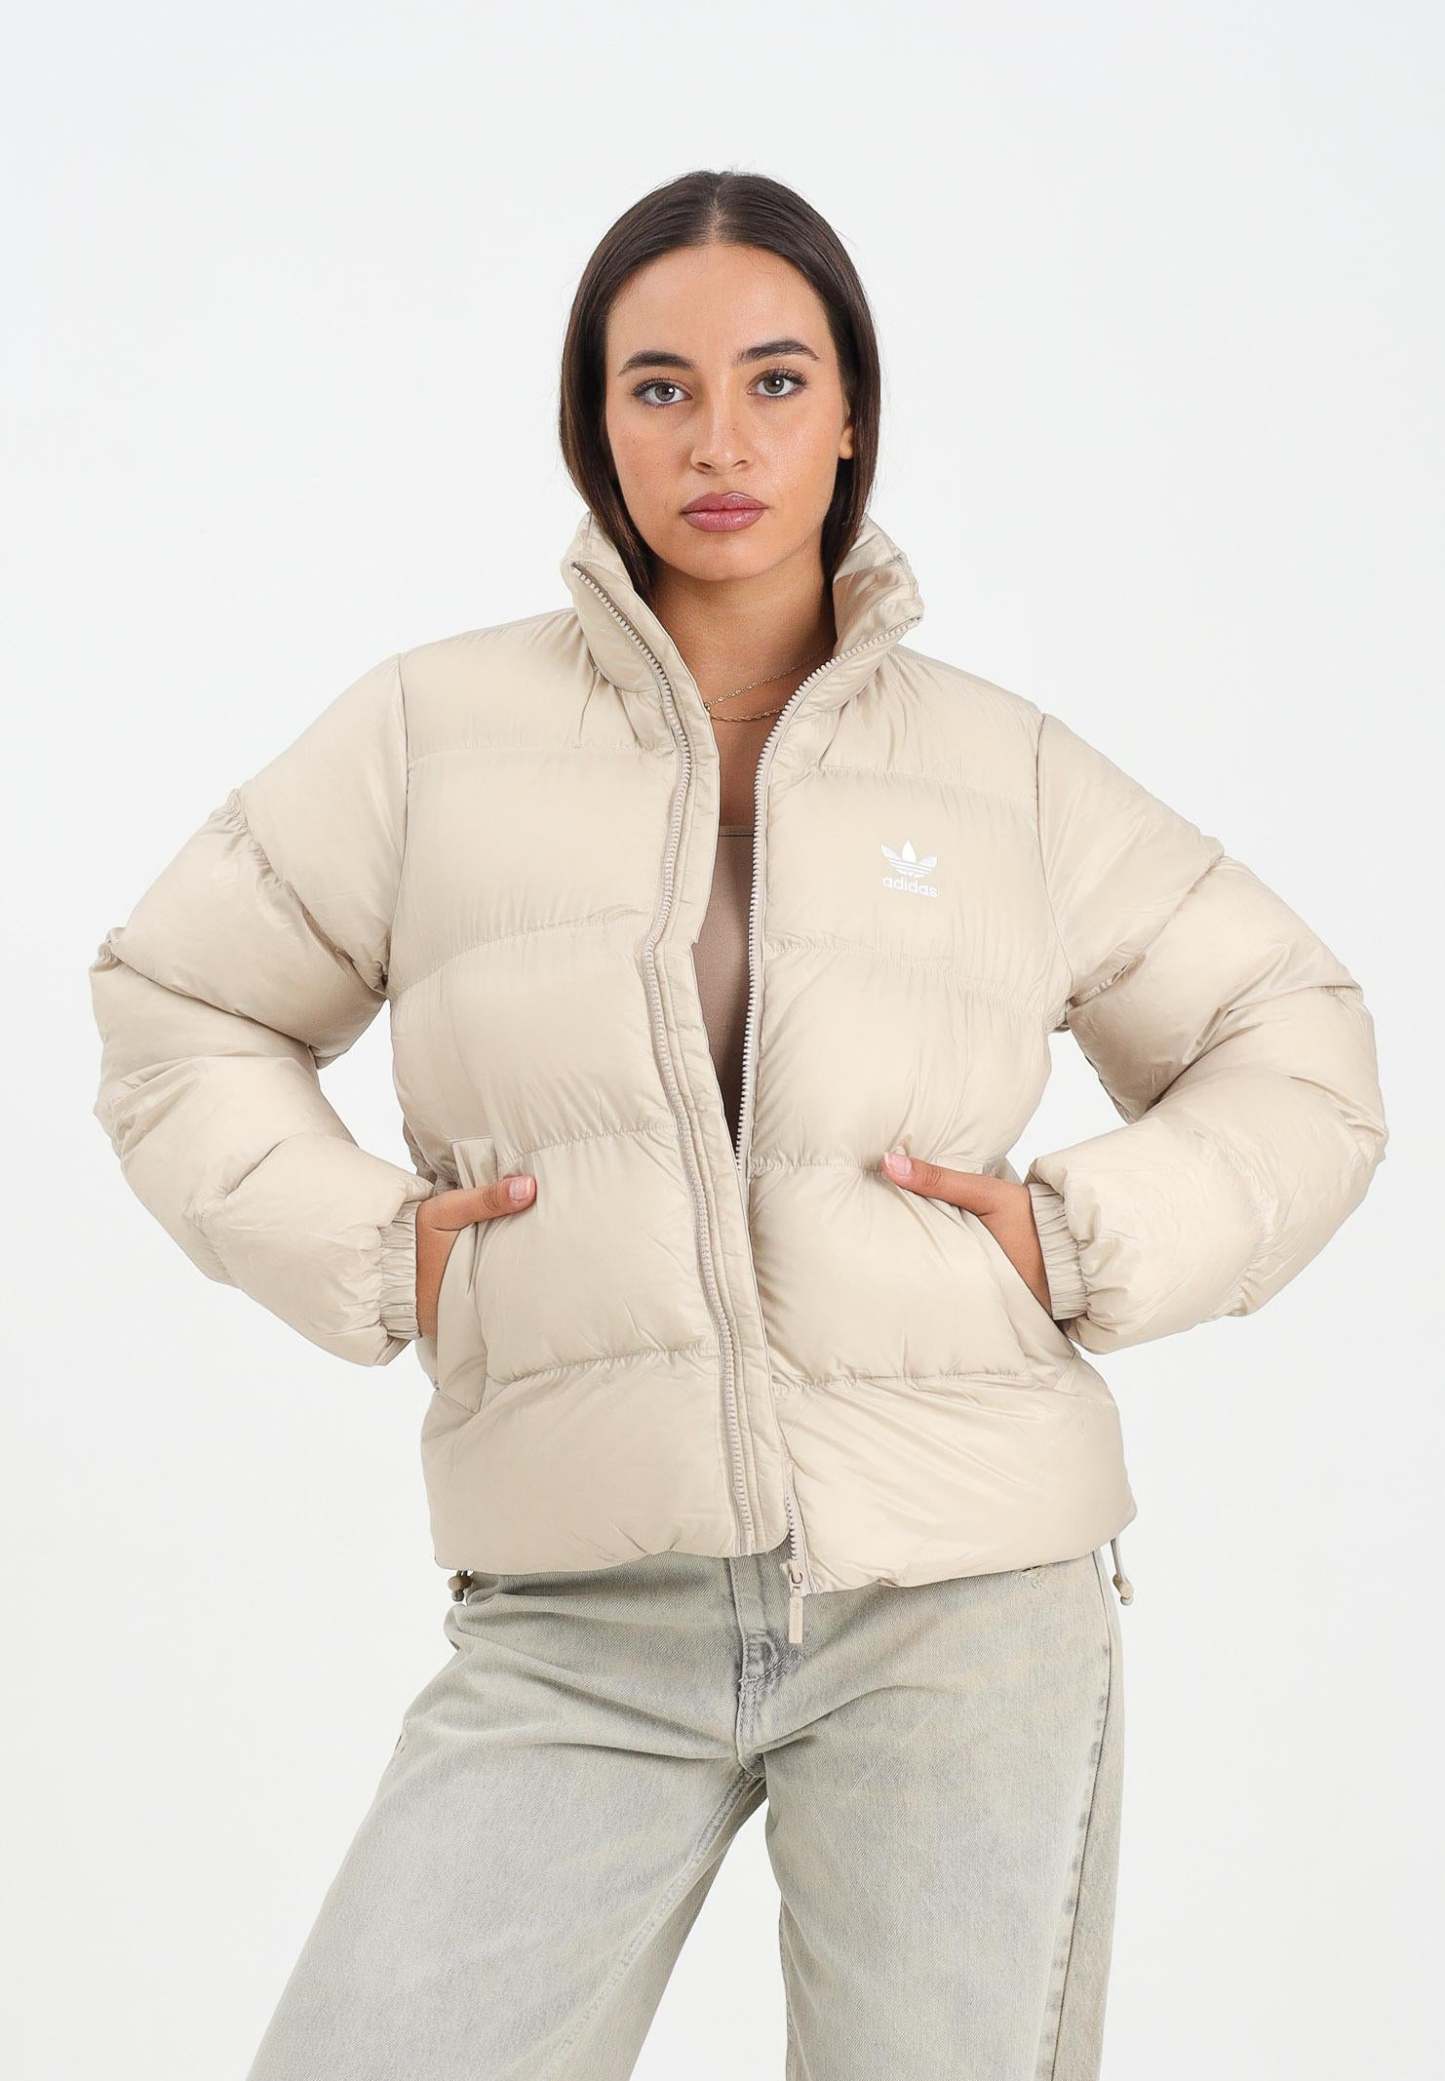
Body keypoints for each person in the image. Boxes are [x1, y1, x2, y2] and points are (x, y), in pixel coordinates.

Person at [87, 168, 1388, 2080]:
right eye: (660, 387)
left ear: (851, 413)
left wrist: (1072, 1239)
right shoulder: (430, 736)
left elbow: (1299, 1038)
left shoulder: (1000, 769)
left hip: (966, 1605)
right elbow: (177, 1004)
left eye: (776, 381)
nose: (719, 441)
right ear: (593, 421)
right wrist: (374, 1254)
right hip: (576, 1608)